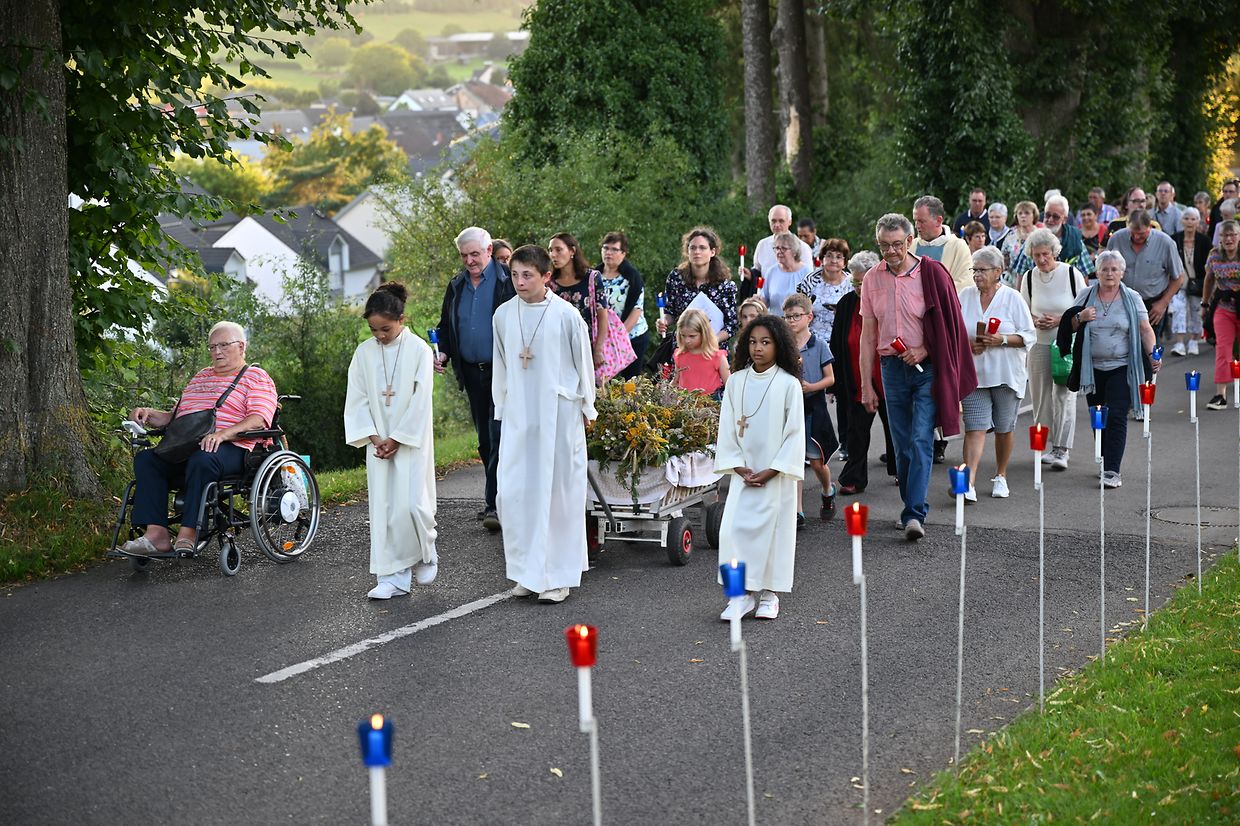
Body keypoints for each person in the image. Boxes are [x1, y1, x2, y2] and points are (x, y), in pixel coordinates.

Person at [860, 213, 977, 541]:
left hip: (926, 369)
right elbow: (868, 336)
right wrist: (866, 384)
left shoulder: (932, 273)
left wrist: (924, 349)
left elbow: (950, 324)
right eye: (884, 245)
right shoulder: (871, 278)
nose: (891, 251)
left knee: (921, 438)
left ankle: (914, 513)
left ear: (910, 241)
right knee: (901, 446)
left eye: (897, 244)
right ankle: (911, 504)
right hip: (891, 368)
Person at [492, 244, 597, 604]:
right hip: (520, 415)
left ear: (546, 276)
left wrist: (587, 407)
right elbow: (501, 364)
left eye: (527, 275)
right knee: (516, 493)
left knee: (557, 495)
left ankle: (557, 576)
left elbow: (583, 363)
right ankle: (527, 572)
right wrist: (502, 406)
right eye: (514, 275)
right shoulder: (504, 315)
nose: (519, 282)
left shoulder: (566, 316)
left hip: (558, 415)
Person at [123, 322, 278, 556]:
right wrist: (149, 414)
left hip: (235, 448)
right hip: (190, 446)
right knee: (147, 459)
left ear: (241, 347)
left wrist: (222, 434)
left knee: (203, 459)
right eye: (212, 347)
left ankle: (189, 532)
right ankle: (157, 535)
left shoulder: (256, 376)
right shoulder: (201, 377)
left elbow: (258, 419)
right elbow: (177, 418)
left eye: (224, 345)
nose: (217, 351)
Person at [344, 283, 438, 600]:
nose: (380, 336)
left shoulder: (419, 350)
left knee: (411, 504)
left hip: (410, 440)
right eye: (374, 330)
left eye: (385, 329)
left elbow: (421, 400)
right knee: (384, 507)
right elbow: (357, 400)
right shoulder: (364, 353)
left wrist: (397, 438)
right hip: (378, 442)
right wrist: (375, 438)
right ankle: (392, 577)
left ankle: (425, 552)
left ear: (401, 319)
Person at [714, 314, 805, 621]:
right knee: (732, 534)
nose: (758, 348)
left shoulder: (788, 384)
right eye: (753, 342)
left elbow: (795, 433)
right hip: (744, 474)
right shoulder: (736, 381)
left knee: (773, 535)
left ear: (779, 345)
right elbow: (727, 427)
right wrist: (739, 467)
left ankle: (769, 594)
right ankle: (739, 596)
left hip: (775, 476)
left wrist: (773, 469)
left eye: (766, 342)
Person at [435, 226, 514, 532]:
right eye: (464, 255)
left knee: (498, 435)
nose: (469, 261)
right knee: (484, 440)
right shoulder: (457, 285)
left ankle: (495, 504)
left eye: (475, 254)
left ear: (489, 251)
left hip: (502, 371)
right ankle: (498, 498)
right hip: (471, 372)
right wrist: (442, 351)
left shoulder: (508, 280)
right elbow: (445, 326)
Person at [1060, 251, 1158, 487]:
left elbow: (1145, 329)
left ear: (1122, 272)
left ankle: (1112, 470)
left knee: (1116, 415)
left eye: (1114, 269)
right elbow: (1068, 326)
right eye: (1104, 269)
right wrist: (1080, 317)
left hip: (1122, 366)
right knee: (1098, 415)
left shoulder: (1132, 297)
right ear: (1097, 272)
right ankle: (1105, 460)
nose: (1109, 273)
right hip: (1091, 368)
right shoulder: (1086, 295)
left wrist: (1153, 354)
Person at [958, 247, 1036, 501]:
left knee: (1003, 428)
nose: (976, 275)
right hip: (974, 376)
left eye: (982, 270)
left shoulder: (1012, 298)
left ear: (998, 271)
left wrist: (1000, 339)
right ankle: (968, 482)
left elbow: (1028, 336)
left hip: (1006, 375)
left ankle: (1000, 475)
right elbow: (954, 331)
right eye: (974, 270)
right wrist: (968, 344)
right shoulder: (965, 295)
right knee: (975, 427)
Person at [1019, 227, 1087, 470]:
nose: (1041, 260)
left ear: (1054, 252)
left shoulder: (1071, 274)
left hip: (1065, 344)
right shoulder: (1029, 277)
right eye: (1036, 255)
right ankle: (1044, 446)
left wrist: (1059, 320)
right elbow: (1023, 310)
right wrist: (1034, 321)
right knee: (1039, 398)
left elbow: (1083, 311)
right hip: (1038, 343)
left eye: (1045, 254)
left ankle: (1062, 449)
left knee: (1064, 396)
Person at [832, 251, 895, 494]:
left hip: (887, 374)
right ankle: (854, 477)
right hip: (856, 377)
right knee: (856, 430)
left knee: (895, 427)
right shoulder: (846, 303)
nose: (858, 287)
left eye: (862, 282)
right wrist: (836, 381)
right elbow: (837, 343)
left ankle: (901, 469)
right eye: (855, 282)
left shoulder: (888, 298)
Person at [796, 238, 855, 454]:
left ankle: (845, 443)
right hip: (813, 343)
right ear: (822, 258)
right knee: (812, 393)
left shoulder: (850, 282)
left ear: (845, 261)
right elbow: (798, 308)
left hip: (842, 342)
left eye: (839, 257)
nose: (834, 260)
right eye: (829, 256)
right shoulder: (810, 281)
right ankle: (809, 443)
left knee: (843, 393)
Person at [784, 293, 837, 524]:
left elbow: (830, 378)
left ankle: (827, 489)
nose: (792, 321)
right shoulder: (784, 346)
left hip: (814, 407)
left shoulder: (819, 345)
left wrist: (811, 387)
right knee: (795, 461)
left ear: (809, 317)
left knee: (817, 463)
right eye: (788, 317)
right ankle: (798, 511)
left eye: (796, 316)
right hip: (791, 408)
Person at [1106, 208, 1185, 341]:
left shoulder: (1165, 243)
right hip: (1122, 302)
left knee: (1151, 348)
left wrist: (1163, 303)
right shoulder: (1116, 239)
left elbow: (1178, 277)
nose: (1137, 237)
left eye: (1141, 234)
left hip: (1153, 305)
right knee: (1121, 345)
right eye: (1133, 233)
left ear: (1150, 227)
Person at [656, 227, 740, 344]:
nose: (697, 252)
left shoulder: (725, 286)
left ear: (712, 252)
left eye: (702, 248)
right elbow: (670, 311)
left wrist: (713, 341)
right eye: (693, 248)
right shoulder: (676, 278)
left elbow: (732, 324)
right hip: (683, 346)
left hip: (713, 348)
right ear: (687, 251)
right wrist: (663, 321)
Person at [548, 232, 609, 369]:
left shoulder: (592, 278)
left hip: (586, 345)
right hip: (557, 348)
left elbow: (602, 315)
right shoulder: (549, 282)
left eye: (558, 250)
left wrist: (598, 349)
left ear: (572, 251)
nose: (553, 255)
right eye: (550, 250)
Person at [597, 231, 648, 379]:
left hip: (631, 337)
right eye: (606, 248)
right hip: (602, 339)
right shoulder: (594, 275)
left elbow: (636, 310)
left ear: (623, 253)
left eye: (614, 249)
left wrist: (617, 339)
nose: (609, 253)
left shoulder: (632, 277)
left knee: (630, 382)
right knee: (602, 381)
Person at [1201, 220, 1240, 410]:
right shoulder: (1214, 255)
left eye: (1233, 234)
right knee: (1223, 349)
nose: (1229, 239)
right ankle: (1220, 395)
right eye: (1225, 235)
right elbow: (1209, 279)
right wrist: (1205, 303)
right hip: (1223, 306)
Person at [742, 205, 814, 291]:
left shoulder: (802, 247)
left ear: (789, 221)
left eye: (781, 221)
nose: (777, 225)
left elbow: (809, 278)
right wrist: (750, 275)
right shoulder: (762, 245)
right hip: (767, 295)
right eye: (773, 221)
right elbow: (758, 272)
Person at [910, 194, 974, 291]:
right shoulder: (911, 246)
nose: (917, 226)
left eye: (921, 221)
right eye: (915, 221)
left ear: (938, 221)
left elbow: (965, 283)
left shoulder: (958, 246)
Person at [1168, 207, 1209, 356]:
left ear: (1198, 222)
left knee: (1196, 311)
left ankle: (1194, 340)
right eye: (1187, 218)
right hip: (1179, 282)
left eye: (1193, 219)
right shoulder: (1174, 239)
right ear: (1182, 221)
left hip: (1198, 283)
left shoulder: (1204, 241)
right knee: (1178, 310)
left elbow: (1208, 265)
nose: (1190, 222)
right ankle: (1179, 343)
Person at [673, 308, 729, 397]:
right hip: (685, 402)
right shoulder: (679, 355)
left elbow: (730, 386)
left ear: (704, 333)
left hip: (710, 402)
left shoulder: (717, 356)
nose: (687, 340)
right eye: (683, 335)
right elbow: (675, 382)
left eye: (692, 336)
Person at [761, 231, 814, 315]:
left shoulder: (806, 272)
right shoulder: (771, 272)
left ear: (794, 251)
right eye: (777, 248)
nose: (779, 251)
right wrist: (758, 302)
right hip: (775, 321)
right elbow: (765, 299)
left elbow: (812, 302)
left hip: (797, 320)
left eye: (784, 248)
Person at [1001, 200, 1040, 286]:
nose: (1023, 216)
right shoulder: (1011, 235)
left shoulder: (1040, 235)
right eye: (1020, 213)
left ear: (1034, 215)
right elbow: (1003, 256)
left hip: (1034, 279)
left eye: (1027, 213)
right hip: (1012, 280)